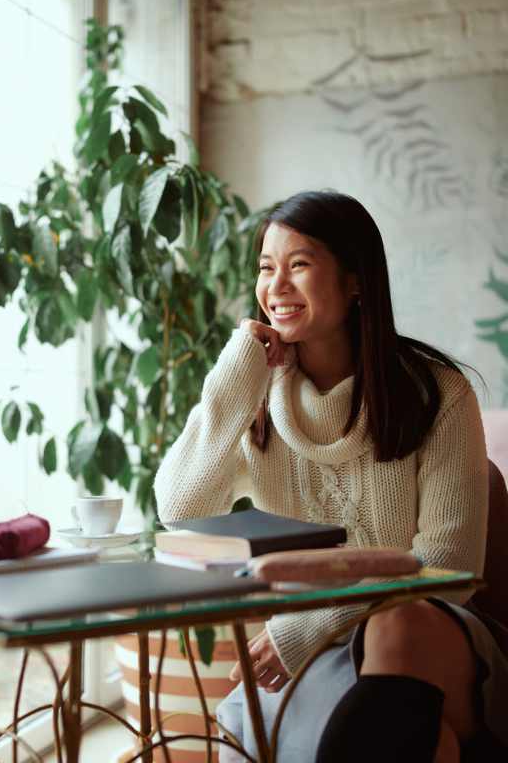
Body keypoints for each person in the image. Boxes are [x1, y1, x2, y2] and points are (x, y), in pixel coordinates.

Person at [154, 190, 508, 762]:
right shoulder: (255, 399)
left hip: (432, 640)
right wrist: (233, 376)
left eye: (299, 265)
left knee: (397, 626)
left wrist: (308, 627)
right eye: (266, 269)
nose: (276, 286)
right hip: (320, 660)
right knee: (429, 746)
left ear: (355, 281)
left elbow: (449, 568)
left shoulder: (438, 394)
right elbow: (180, 508)